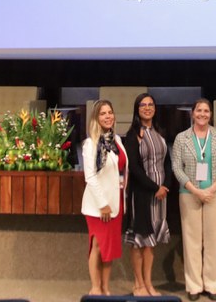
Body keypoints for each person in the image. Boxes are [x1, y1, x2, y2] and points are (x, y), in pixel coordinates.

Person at [172, 98, 216, 301]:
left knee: (214, 241)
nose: (203, 114)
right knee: (192, 242)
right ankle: (194, 286)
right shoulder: (182, 138)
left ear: (211, 115)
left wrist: (211, 189)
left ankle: (213, 285)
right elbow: (176, 168)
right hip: (189, 194)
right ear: (192, 113)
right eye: (199, 110)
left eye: (206, 111)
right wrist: (196, 191)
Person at [124, 93, 172, 297]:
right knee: (140, 240)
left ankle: (149, 283)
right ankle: (138, 284)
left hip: (161, 195)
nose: (147, 108)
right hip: (142, 193)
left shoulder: (160, 131)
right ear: (137, 109)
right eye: (143, 105)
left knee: (151, 242)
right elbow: (134, 168)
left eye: (150, 104)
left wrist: (166, 186)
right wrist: (155, 188)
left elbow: (167, 163)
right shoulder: (132, 134)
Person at [81, 99, 128, 296]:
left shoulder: (117, 141)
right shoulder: (90, 143)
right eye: (103, 113)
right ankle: (95, 287)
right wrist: (103, 204)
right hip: (98, 205)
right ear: (95, 118)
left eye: (110, 112)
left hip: (116, 201)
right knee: (98, 245)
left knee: (110, 247)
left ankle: (106, 288)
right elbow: (90, 177)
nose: (108, 116)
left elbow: (123, 169)